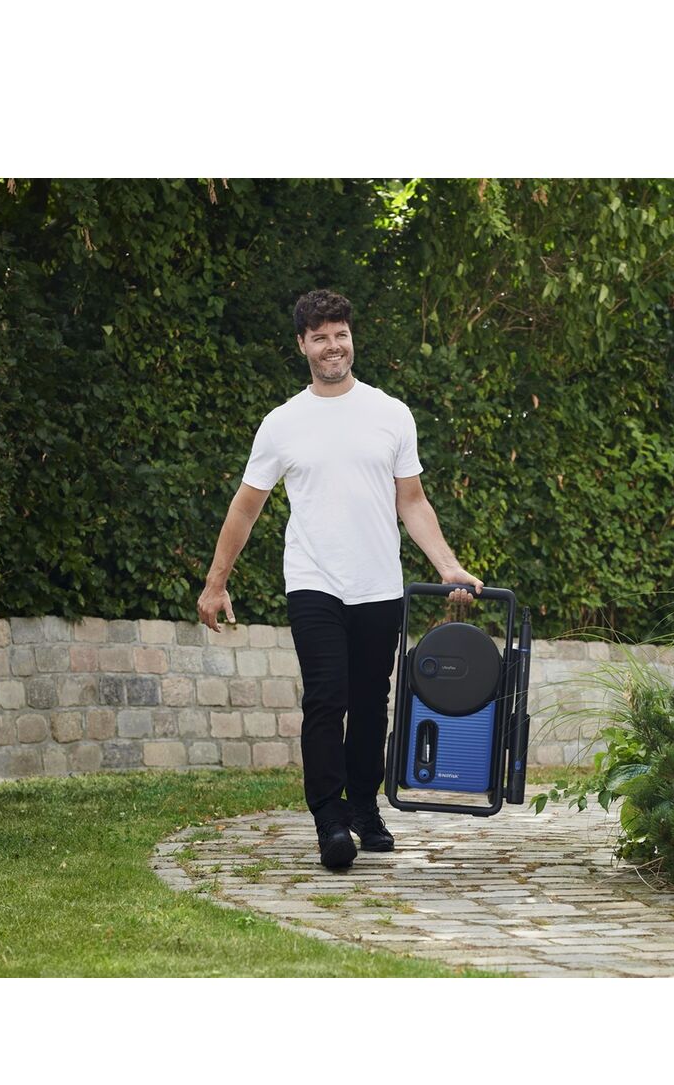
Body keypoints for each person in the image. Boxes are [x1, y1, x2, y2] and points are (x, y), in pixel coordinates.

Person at [196, 289, 482, 869]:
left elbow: (412, 500)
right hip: (313, 581)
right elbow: (246, 507)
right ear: (302, 345)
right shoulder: (282, 423)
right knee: (327, 699)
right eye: (320, 337)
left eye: (341, 334)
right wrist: (216, 583)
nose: (333, 346)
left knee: (371, 703)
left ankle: (364, 808)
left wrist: (447, 565)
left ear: (352, 338)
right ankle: (330, 820)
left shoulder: (390, 413)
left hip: (378, 584)